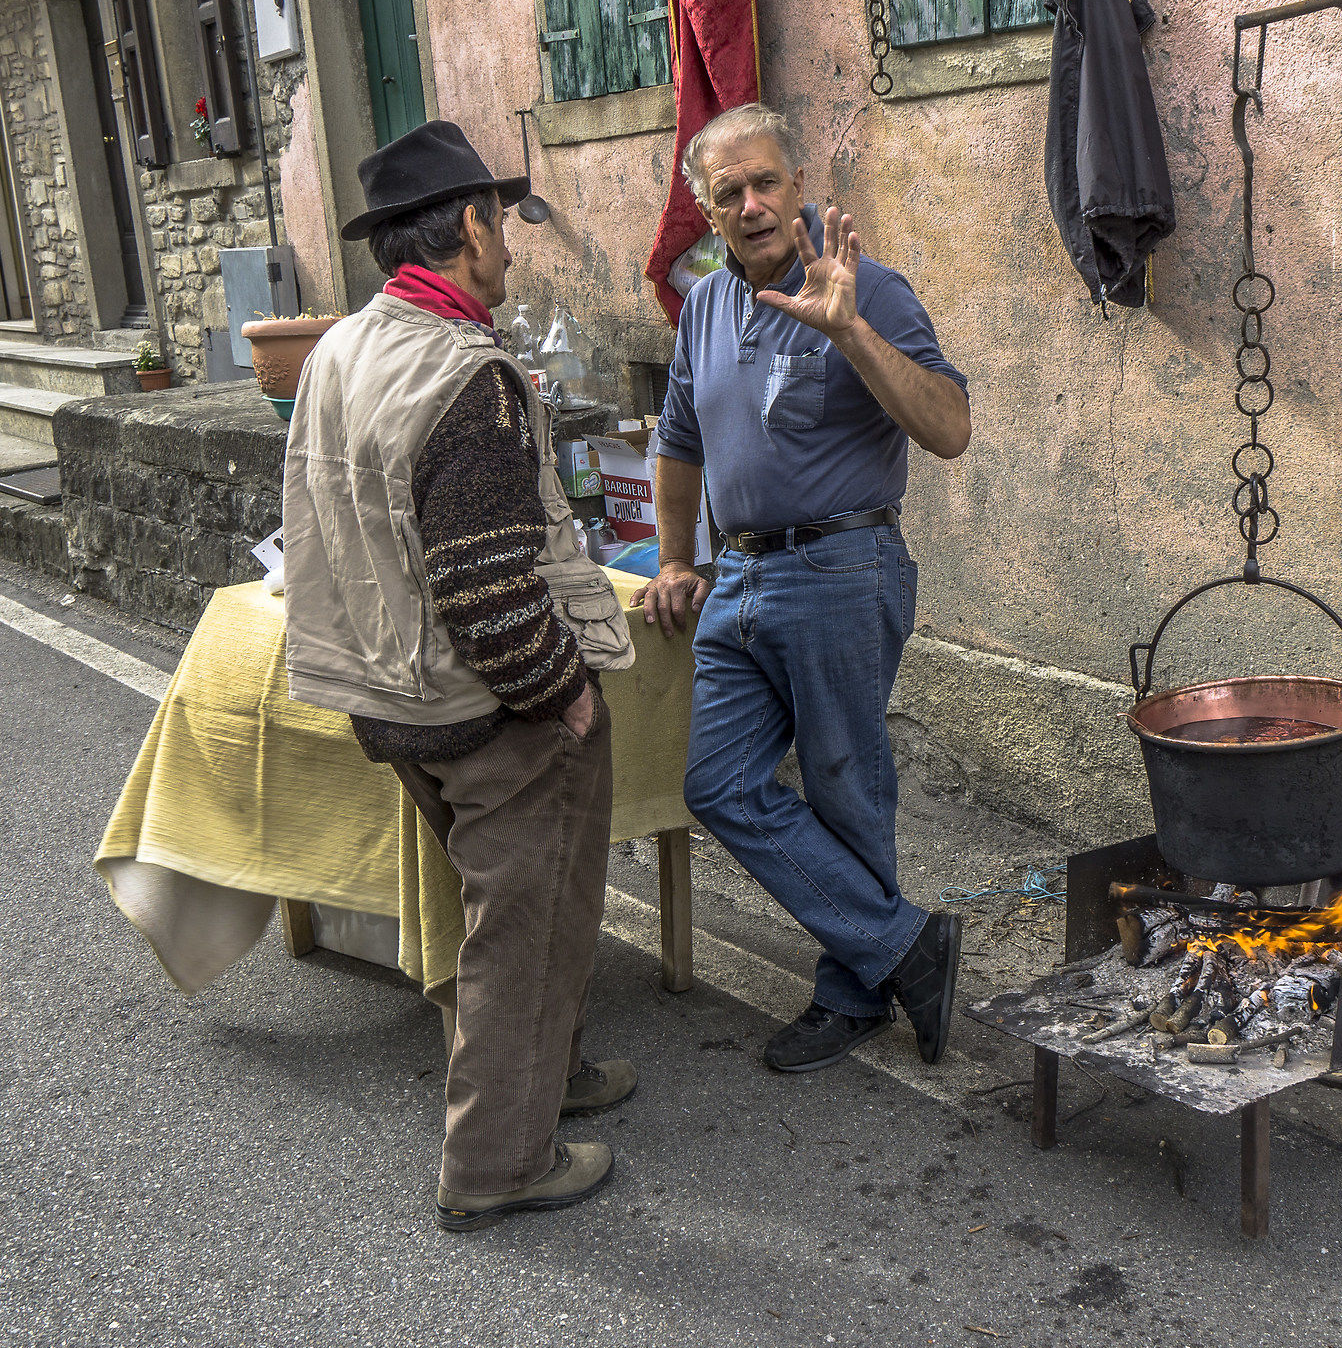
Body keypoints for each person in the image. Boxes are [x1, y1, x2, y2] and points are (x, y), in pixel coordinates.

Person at [282, 120, 638, 1230]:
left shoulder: (343, 347)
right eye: (502, 223)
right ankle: (496, 1162)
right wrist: (565, 694)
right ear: (471, 226)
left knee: (518, 910)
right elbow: (488, 596)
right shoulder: (462, 376)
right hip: (480, 709)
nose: (513, 249)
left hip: (388, 699)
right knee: (522, 929)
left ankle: (551, 1075)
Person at [636, 103, 973, 1074]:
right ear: (705, 210)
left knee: (843, 790)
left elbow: (949, 428)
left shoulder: (868, 286)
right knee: (718, 782)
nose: (751, 205)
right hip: (737, 572)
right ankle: (905, 944)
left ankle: (851, 991)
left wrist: (853, 330)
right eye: (728, 192)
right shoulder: (702, 304)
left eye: (766, 182)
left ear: (798, 183)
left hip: (840, 565)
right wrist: (673, 560)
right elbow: (677, 447)